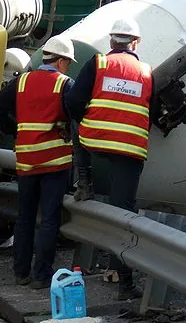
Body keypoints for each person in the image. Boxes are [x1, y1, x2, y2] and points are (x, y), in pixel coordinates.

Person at [65, 18, 155, 300]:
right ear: (136, 43)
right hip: (130, 147)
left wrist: (89, 119)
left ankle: (84, 180)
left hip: (96, 140)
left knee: (74, 123)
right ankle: (124, 281)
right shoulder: (147, 71)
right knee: (124, 212)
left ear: (112, 41)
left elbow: (73, 102)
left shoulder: (99, 63)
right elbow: (150, 111)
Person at [0, 35, 76, 288]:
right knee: (48, 219)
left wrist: (16, 131)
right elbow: (77, 114)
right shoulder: (65, 84)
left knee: (24, 217)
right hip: (55, 162)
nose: (67, 67)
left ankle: (20, 272)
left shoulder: (22, 82)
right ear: (60, 62)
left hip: (27, 161)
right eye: (67, 62)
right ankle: (41, 275)